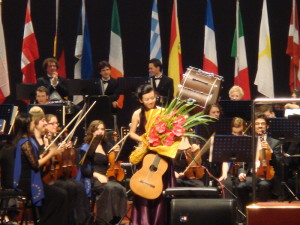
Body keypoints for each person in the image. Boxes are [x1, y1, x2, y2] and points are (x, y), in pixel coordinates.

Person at [29, 107, 89, 225]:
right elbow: (39, 159)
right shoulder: (35, 140)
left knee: (78, 186)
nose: (53, 126)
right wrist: (52, 150)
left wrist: (64, 150)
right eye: (49, 123)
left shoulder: (49, 138)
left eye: (56, 123)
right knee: (70, 187)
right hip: (42, 177)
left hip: (52, 175)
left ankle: (81, 220)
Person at [129, 84, 176, 225]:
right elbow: (131, 133)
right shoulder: (137, 113)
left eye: (153, 98)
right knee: (144, 188)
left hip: (162, 154)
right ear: (141, 100)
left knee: (161, 187)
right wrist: (144, 139)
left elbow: (170, 130)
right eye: (147, 99)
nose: (151, 101)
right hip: (147, 155)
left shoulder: (163, 111)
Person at [12, 113, 68, 225]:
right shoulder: (25, 143)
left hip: (30, 178)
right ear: (27, 126)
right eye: (33, 123)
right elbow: (35, 164)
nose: (34, 125)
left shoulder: (28, 140)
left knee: (61, 192)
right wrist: (51, 153)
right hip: (27, 182)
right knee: (60, 195)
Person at [78, 120, 127, 225]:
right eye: (97, 129)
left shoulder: (107, 145)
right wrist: (97, 175)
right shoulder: (86, 147)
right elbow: (83, 169)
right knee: (110, 188)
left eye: (102, 129)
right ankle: (102, 221)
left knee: (121, 189)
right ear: (91, 131)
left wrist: (117, 152)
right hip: (93, 177)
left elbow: (113, 162)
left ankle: (116, 219)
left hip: (107, 176)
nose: (100, 132)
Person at [236, 113, 281, 208]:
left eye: (262, 124)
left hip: (267, 176)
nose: (260, 126)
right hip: (251, 175)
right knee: (240, 186)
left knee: (263, 185)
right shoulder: (246, 141)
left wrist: (270, 151)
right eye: (257, 124)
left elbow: (278, 164)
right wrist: (241, 172)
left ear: (267, 126)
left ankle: (260, 214)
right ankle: (245, 214)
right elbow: (241, 163)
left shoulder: (275, 142)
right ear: (252, 126)